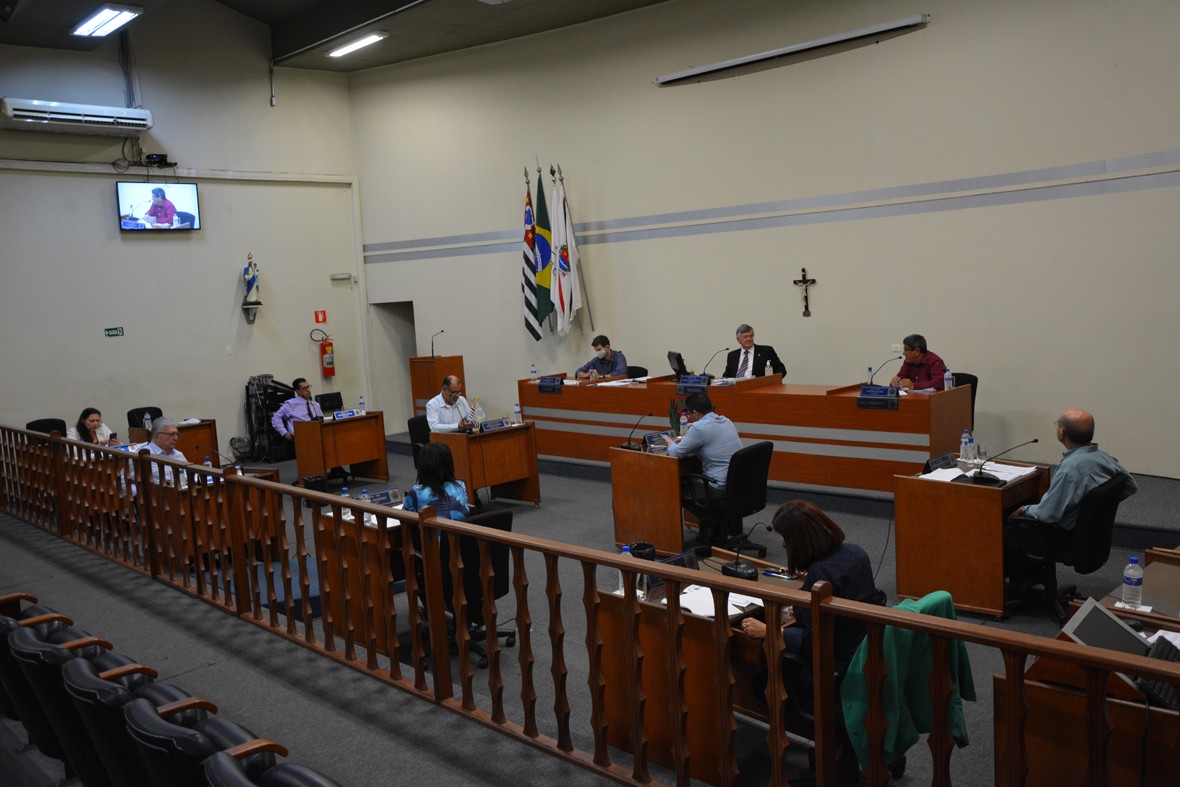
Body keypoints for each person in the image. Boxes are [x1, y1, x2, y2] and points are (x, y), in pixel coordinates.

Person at [742, 500, 878, 783]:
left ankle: (829, 743)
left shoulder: (820, 574)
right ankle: (838, 744)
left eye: (785, 542)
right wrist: (805, 611)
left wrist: (769, 631)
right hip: (864, 659)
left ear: (799, 541)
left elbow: (813, 641)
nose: (785, 547)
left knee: (759, 679)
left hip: (834, 672)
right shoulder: (856, 553)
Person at [1005, 408, 1137, 568]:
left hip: (1061, 535)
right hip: (1087, 534)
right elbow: (1130, 485)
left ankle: (1022, 580)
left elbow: (1047, 514)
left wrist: (1024, 509)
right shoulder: (1103, 457)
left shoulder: (1070, 470)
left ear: (1062, 433)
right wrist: (1096, 507)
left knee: (1002, 532)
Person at [663, 393, 743, 545]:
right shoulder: (726, 421)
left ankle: (710, 520)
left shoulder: (698, 428)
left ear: (695, 413)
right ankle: (715, 526)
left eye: (690, 414)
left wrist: (669, 442)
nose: (690, 417)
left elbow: (675, 453)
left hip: (717, 486)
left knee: (675, 490)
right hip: (736, 484)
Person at [402, 442, 469, 521]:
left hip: (434, 529)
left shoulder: (416, 492)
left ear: (423, 467)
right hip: (462, 528)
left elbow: (403, 518)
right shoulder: (461, 485)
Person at [721, 324, 786, 379]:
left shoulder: (766, 351)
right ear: (738, 340)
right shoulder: (732, 355)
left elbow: (781, 369)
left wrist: (771, 382)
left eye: (751, 336)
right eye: (745, 337)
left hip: (758, 387)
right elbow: (727, 375)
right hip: (736, 387)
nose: (749, 339)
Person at [142, 417, 188, 486]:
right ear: (157, 437)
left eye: (176, 434)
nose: (176, 438)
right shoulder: (145, 455)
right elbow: (164, 479)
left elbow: (190, 475)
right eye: (171, 434)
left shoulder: (178, 454)